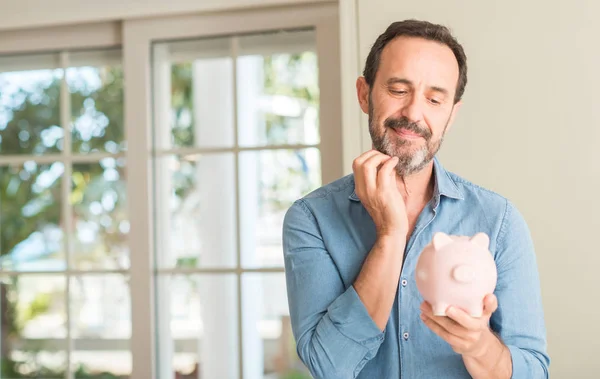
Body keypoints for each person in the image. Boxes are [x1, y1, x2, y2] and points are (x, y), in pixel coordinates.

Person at [282, 19, 550, 379]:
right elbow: (329, 368)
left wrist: (479, 346)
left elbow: (535, 371)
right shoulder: (311, 219)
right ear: (365, 94)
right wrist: (390, 236)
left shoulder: (498, 222)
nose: (413, 113)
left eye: (435, 98)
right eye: (397, 89)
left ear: (451, 114)